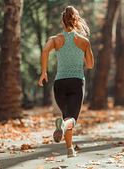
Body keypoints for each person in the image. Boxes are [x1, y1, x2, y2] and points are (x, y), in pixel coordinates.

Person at [38, 6, 94, 158]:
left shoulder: (55, 40)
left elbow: (44, 51)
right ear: (76, 21)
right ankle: (63, 129)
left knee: (66, 116)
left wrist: (43, 72)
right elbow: (90, 65)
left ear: (62, 22)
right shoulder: (83, 41)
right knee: (71, 119)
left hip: (59, 83)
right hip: (76, 83)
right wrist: (81, 53)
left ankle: (70, 150)